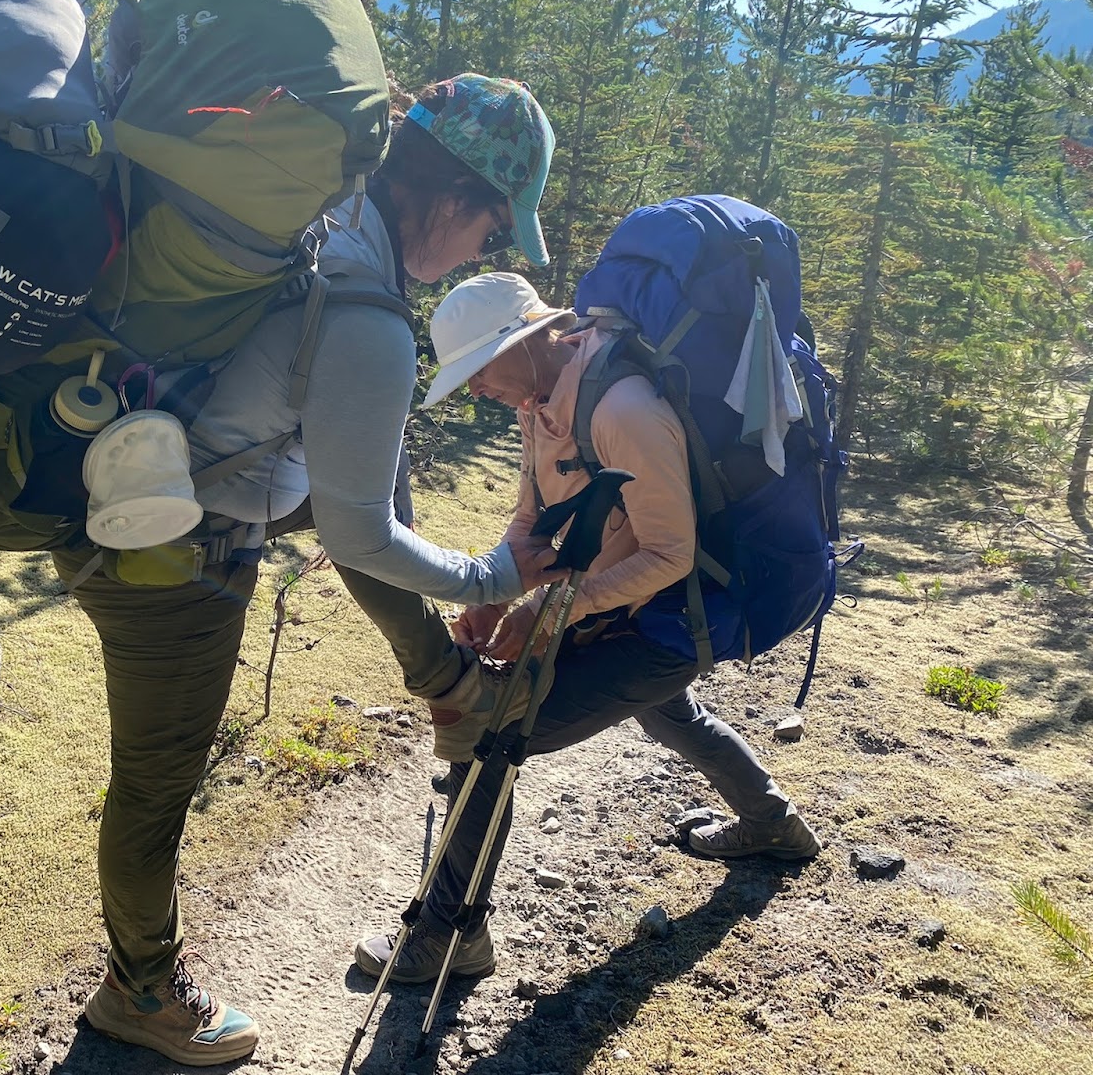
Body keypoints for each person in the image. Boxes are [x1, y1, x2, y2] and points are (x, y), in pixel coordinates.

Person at [65, 75, 563, 1065]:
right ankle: (141, 989)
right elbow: (360, 535)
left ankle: (448, 686)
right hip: (163, 543)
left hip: (133, 462)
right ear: (457, 204)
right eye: (490, 235)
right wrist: (489, 575)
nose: (479, 257)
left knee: (364, 475)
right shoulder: (371, 317)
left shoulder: (320, 217)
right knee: (157, 782)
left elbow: (342, 487)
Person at [351, 270, 822, 986]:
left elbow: (673, 553)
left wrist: (554, 608)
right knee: (670, 716)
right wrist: (495, 591)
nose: (475, 388)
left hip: (663, 626)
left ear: (535, 339)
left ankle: (450, 936)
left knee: (490, 738)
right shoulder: (539, 399)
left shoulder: (623, 409)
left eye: (479, 369)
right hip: (613, 611)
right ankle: (773, 824)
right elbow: (533, 516)